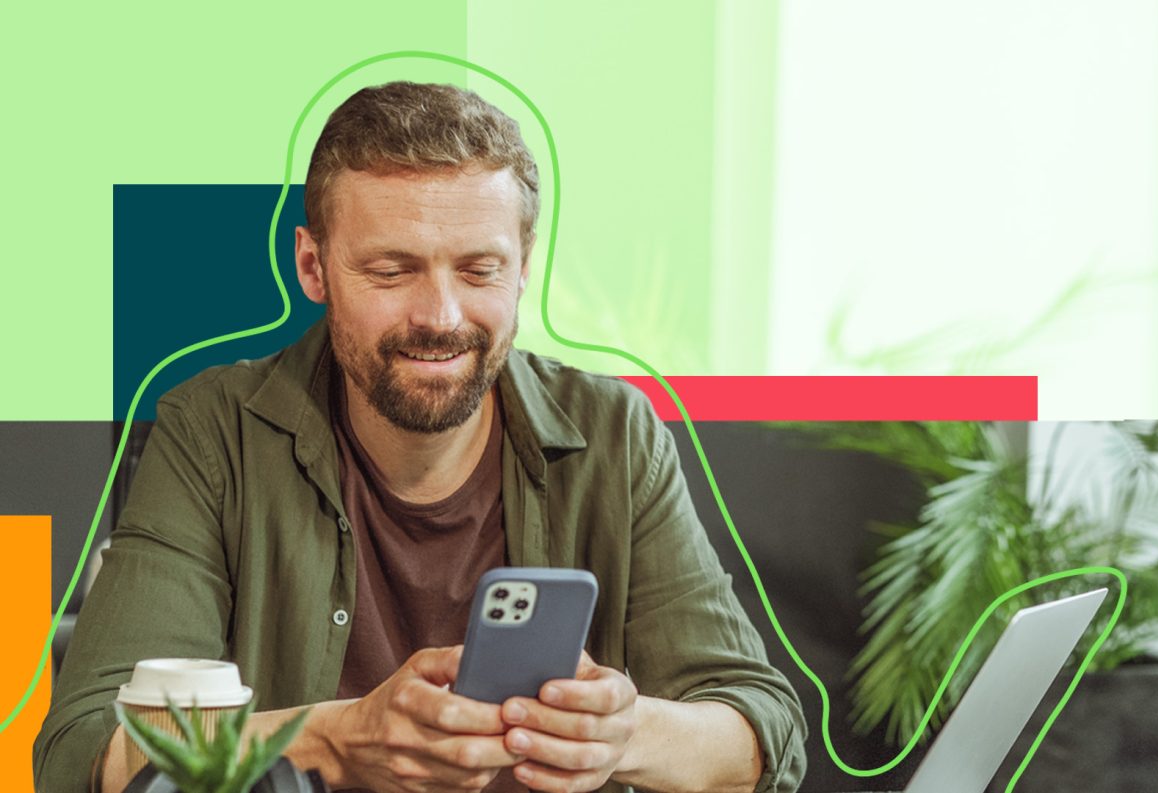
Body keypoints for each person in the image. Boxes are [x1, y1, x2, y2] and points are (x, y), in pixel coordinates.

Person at [34, 81, 807, 793]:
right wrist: (338, 738)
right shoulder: (214, 431)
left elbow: (762, 731)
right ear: (314, 265)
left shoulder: (617, 433)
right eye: (392, 270)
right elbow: (82, 753)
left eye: (478, 270)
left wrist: (625, 732)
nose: (440, 316)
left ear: (523, 266)